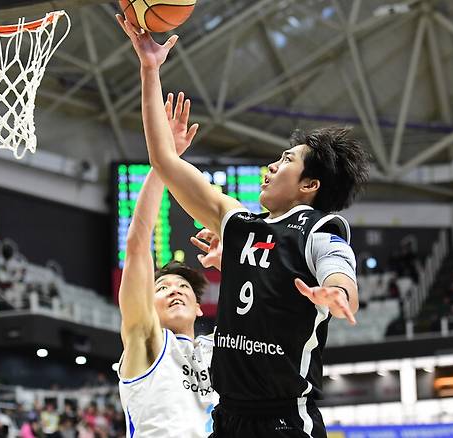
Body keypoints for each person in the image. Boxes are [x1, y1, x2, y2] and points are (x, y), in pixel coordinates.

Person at [117, 16, 368, 438]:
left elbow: (338, 269)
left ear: (309, 185)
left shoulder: (320, 229)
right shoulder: (237, 223)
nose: (272, 165)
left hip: (284, 420)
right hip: (229, 419)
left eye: (286, 160)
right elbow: (163, 160)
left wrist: (337, 292)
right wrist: (149, 69)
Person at [115, 83, 221, 437]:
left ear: (199, 307)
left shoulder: (218, 350)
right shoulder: (147, 340)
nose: (174, 290)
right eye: (162, 287)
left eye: (183, 287)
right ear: (148, 303)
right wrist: (164, 162)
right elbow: (137, 243)